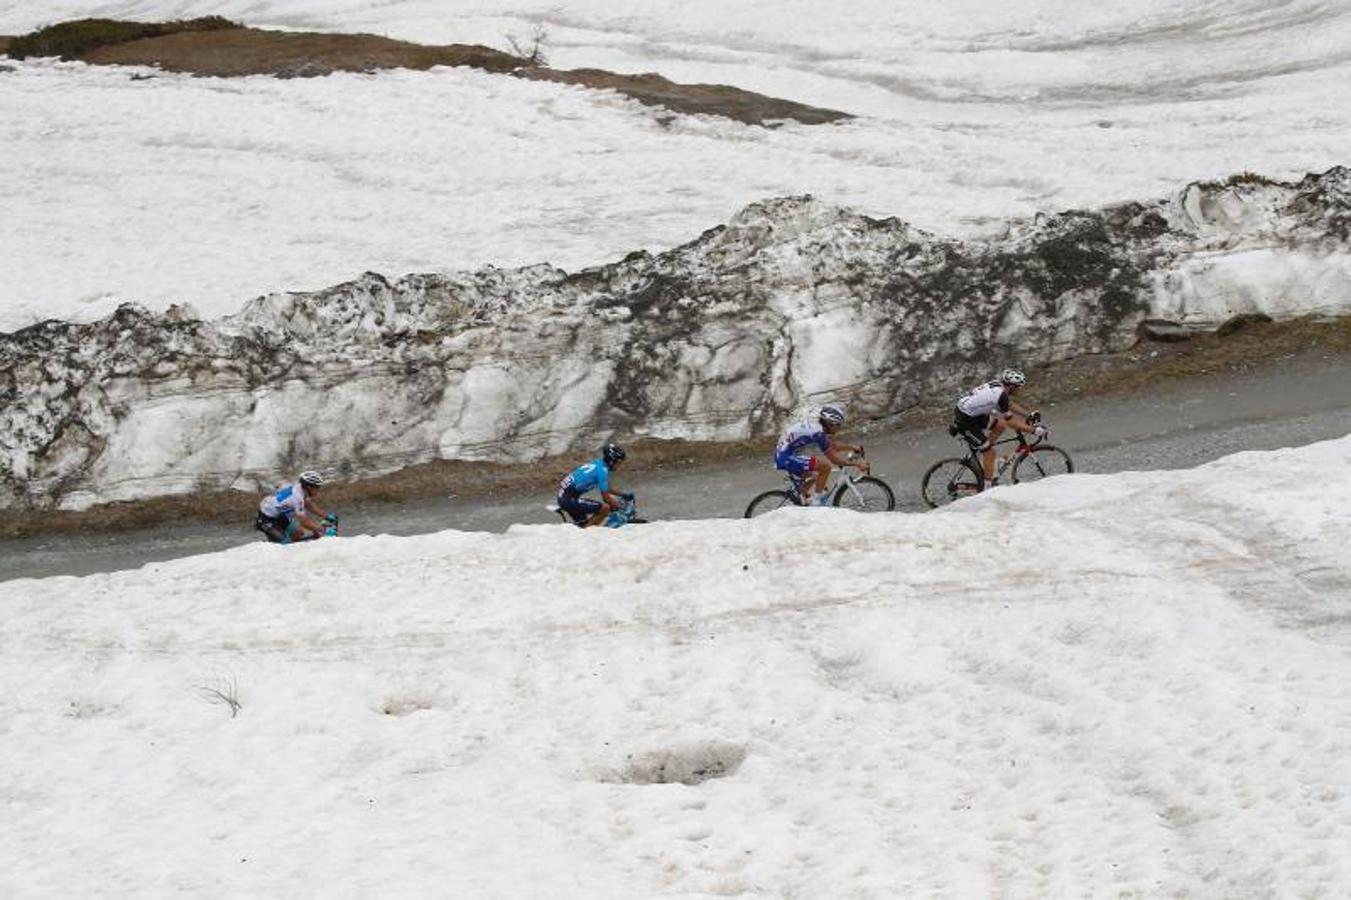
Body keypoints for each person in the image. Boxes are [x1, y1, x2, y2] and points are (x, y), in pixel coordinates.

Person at [952, 368, 1047, 484]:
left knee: (1000, 425)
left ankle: (984, 453)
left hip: (972, 413)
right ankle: (987, 489)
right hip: (966, 420)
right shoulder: (1001, 395)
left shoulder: (999, 387)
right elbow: (1011, 422)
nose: (1020, 390)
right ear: (1012, 387)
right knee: (991, 453)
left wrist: (1028, 415)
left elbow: (1008, 404)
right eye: (1019, 387)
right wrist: (1034, 430)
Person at [773, 404, 869, 506]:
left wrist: (852, 447)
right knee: (825, 467)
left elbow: (832, 446)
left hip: (786, 454)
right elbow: (834, 459)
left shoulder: (818, 428)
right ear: (830, 423)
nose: (838, 428)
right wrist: (856, 464)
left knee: (816, 478)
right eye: (838, 425)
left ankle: (803, 499)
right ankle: (816, 502)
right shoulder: (817, 432)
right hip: (786, 457)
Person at [557, 443, 630, 528]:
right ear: (612, 461)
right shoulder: (602, 471)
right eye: (619, 462)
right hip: (568, 499)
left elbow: (606, 488)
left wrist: (622, 494)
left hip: (565, 496)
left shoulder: (598, 463)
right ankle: (586, 533)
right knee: (605, 509)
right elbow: (606, 498)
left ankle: (584, 530)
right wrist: (617, 506)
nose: (619, 466)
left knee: (583, 524)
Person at [256, 470, 332, 543]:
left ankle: (287, 545)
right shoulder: (297, 497)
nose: (318, 490)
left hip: (278, 514)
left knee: (298, 532)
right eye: (317, 488)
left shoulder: (301, 488)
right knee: (285, 543)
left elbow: (307, 503)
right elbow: (304, 522)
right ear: (309, 487)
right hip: (265, 519)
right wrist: (319, 529)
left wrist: (325, 515)